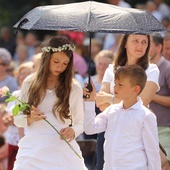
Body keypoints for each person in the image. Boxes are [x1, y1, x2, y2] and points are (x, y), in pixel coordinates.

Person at [12, 36, 87, 170]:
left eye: (65, 63)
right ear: (47, 58)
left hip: (61, 146)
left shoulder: (73, 87)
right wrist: (29, 118)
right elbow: (18, 119)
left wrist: (73, 130)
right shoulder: (30, 83)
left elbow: (80, 122)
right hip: (34, 148)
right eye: (56, 61)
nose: (60, 67)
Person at [94, 34, 160, 170]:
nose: (140, 46)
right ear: (125, 43)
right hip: (108, 130)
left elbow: (141, 101)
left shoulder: (152, 70)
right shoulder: (111, 69)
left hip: (136, 132)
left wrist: (109, 98)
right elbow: (101, 103)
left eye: (144, 42)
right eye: (135, 41)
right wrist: (112, 100)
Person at [83, 65, 161, 170]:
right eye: (115, 83)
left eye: (120, 84)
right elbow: (89, 128)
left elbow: (153, 153)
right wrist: (90, 101)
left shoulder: (145, 116)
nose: (115, 87)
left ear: (136, 89)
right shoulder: (111, 111)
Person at [149, 33, 170, 167]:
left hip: (164, 128)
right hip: (147, 126)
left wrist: (149, 94)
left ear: (158, 47)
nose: (142, 47)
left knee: (164, 164)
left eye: (147, 44)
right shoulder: (145, 68)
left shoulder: (167, 68)